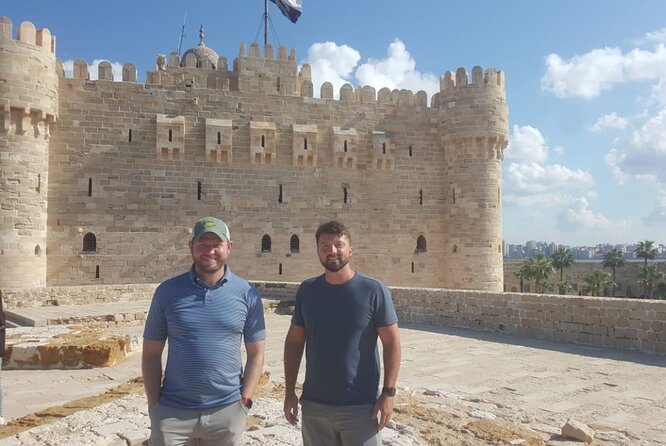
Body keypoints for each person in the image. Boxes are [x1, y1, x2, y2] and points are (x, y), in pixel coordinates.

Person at [142, 216, 266, 446]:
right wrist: (154, 407)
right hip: (172, 412)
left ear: (229, 247)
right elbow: (150, 353)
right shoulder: (167, 292)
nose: (209, 252)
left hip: (227, 411)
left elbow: (257, 353)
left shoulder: (247, 293)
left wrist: (244, 402)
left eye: (216, 245)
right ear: (191, 247)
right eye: (202, 245)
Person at [283, 220, 401, 446]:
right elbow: (295, 342)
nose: (332, 251)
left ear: (351, 250)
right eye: (325, 246)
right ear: (317, 251)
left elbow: (392, 342)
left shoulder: (373, 290)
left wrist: (388, 394)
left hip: (360, 407)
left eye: (339, 244)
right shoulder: (307, 290)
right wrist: (289, 391)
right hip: (314, 407)